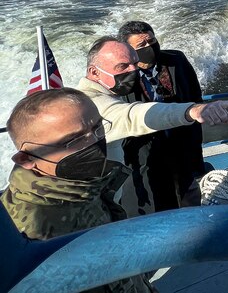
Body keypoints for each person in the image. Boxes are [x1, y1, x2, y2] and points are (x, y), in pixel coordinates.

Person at [1, 88, 153, 293]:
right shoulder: (30, 232)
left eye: (98, 127)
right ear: (26, 159)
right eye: (75, 140)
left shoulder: (81, 186)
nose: (94, 143)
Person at [76, 36, 228, 216]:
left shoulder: (111, 89)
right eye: (123, 66)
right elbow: (135, 115)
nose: (133, 71)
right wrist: (192, 111)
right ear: (94, 72)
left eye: (135, 64)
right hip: (99, 204)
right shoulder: (93, 105)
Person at [117, 21, 206, 213]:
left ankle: (193, 229)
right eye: (141, 45)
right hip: (146, 148)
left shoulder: (176, 60)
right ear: (128, 50)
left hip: (180, 141)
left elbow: (194, 94)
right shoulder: (121, 76)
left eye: (152, 40)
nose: (149, 47)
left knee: (189, 193)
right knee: (157, 198)